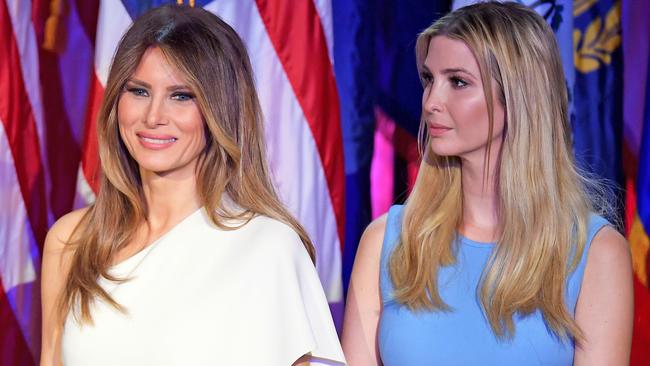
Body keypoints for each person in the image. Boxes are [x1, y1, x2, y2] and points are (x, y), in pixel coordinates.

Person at [40, 5, 346, 366]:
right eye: (138, 91)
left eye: (181, 96)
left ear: (220, 109)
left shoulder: (269, 246)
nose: (153, 116)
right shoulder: (72, 240)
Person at [342, 2, 633, 365]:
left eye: (458, 82)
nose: (432, 101)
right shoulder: (386, 242)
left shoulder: (596, 253)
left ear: (519, 96)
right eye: (429, 79)